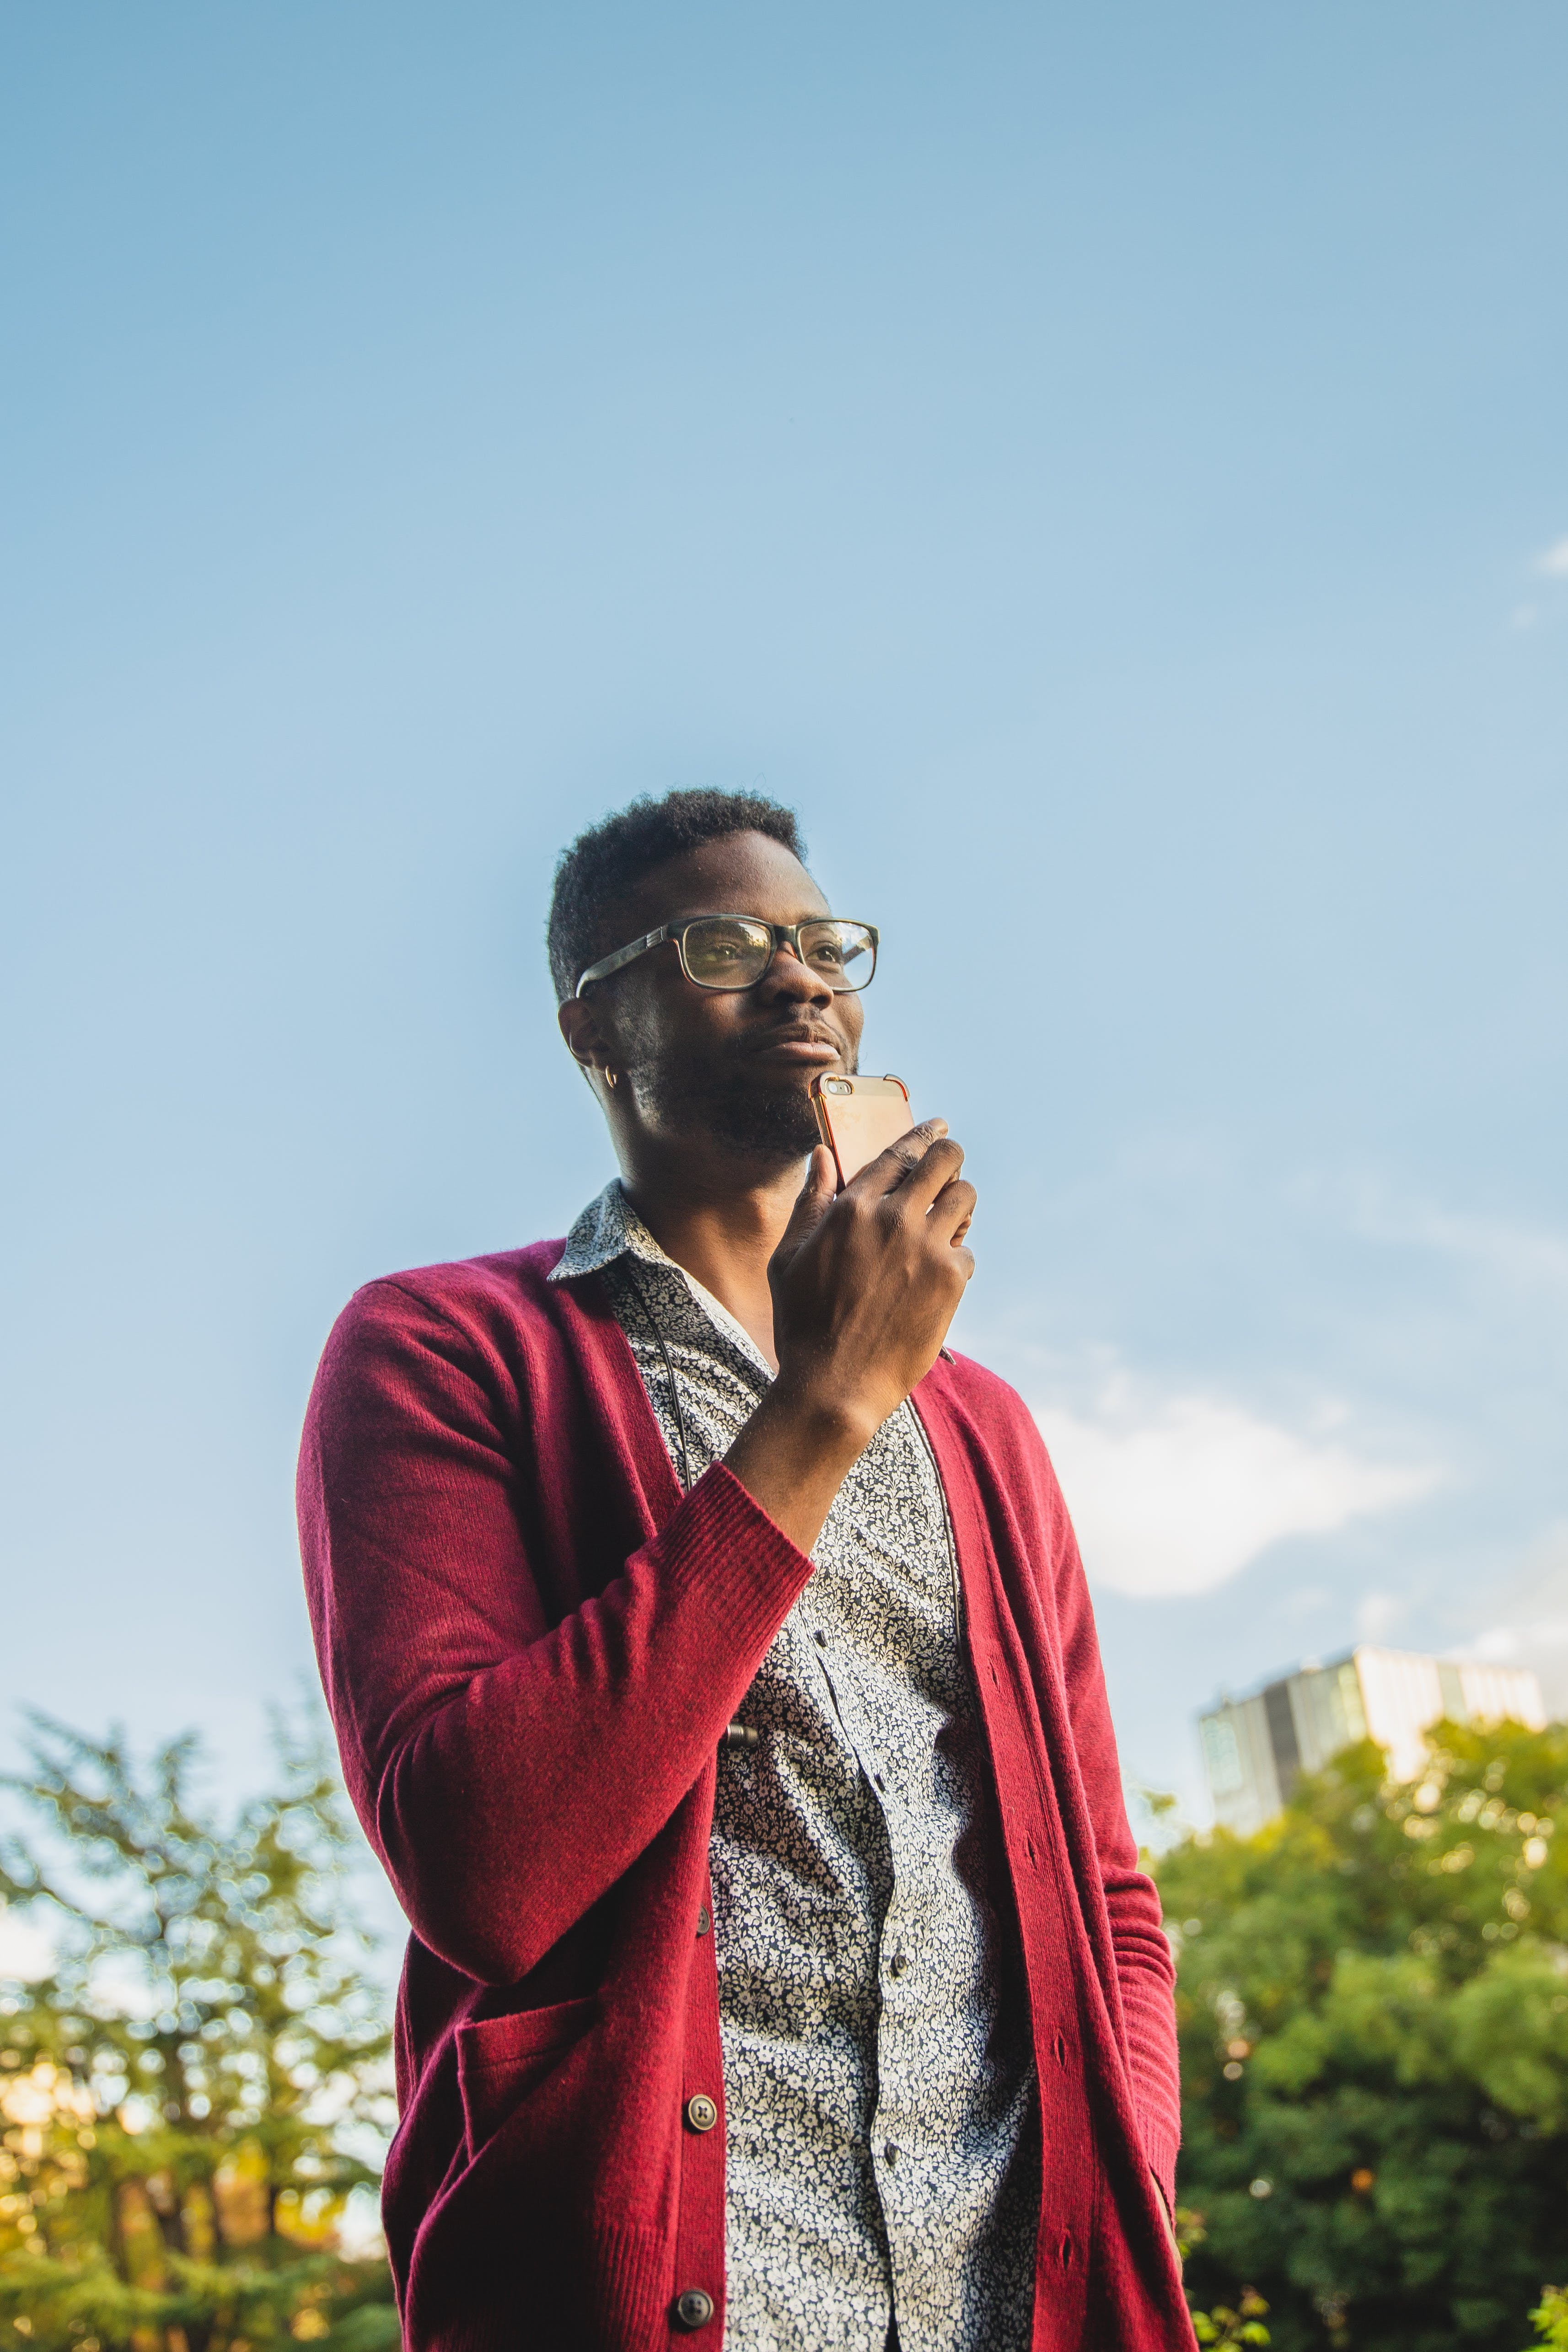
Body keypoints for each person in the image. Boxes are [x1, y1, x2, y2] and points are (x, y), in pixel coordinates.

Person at [298, 788, 1194, 2352]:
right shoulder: (442, 1351)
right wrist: (824, 1406)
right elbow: (484, 1868)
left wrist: (1116, 2179)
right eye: (723, 945)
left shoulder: (981, 1427)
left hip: (1012, 2302)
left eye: (823, 943)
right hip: (650, 2291)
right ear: (594, 1024)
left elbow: (1109, 1893)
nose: (799, 978)